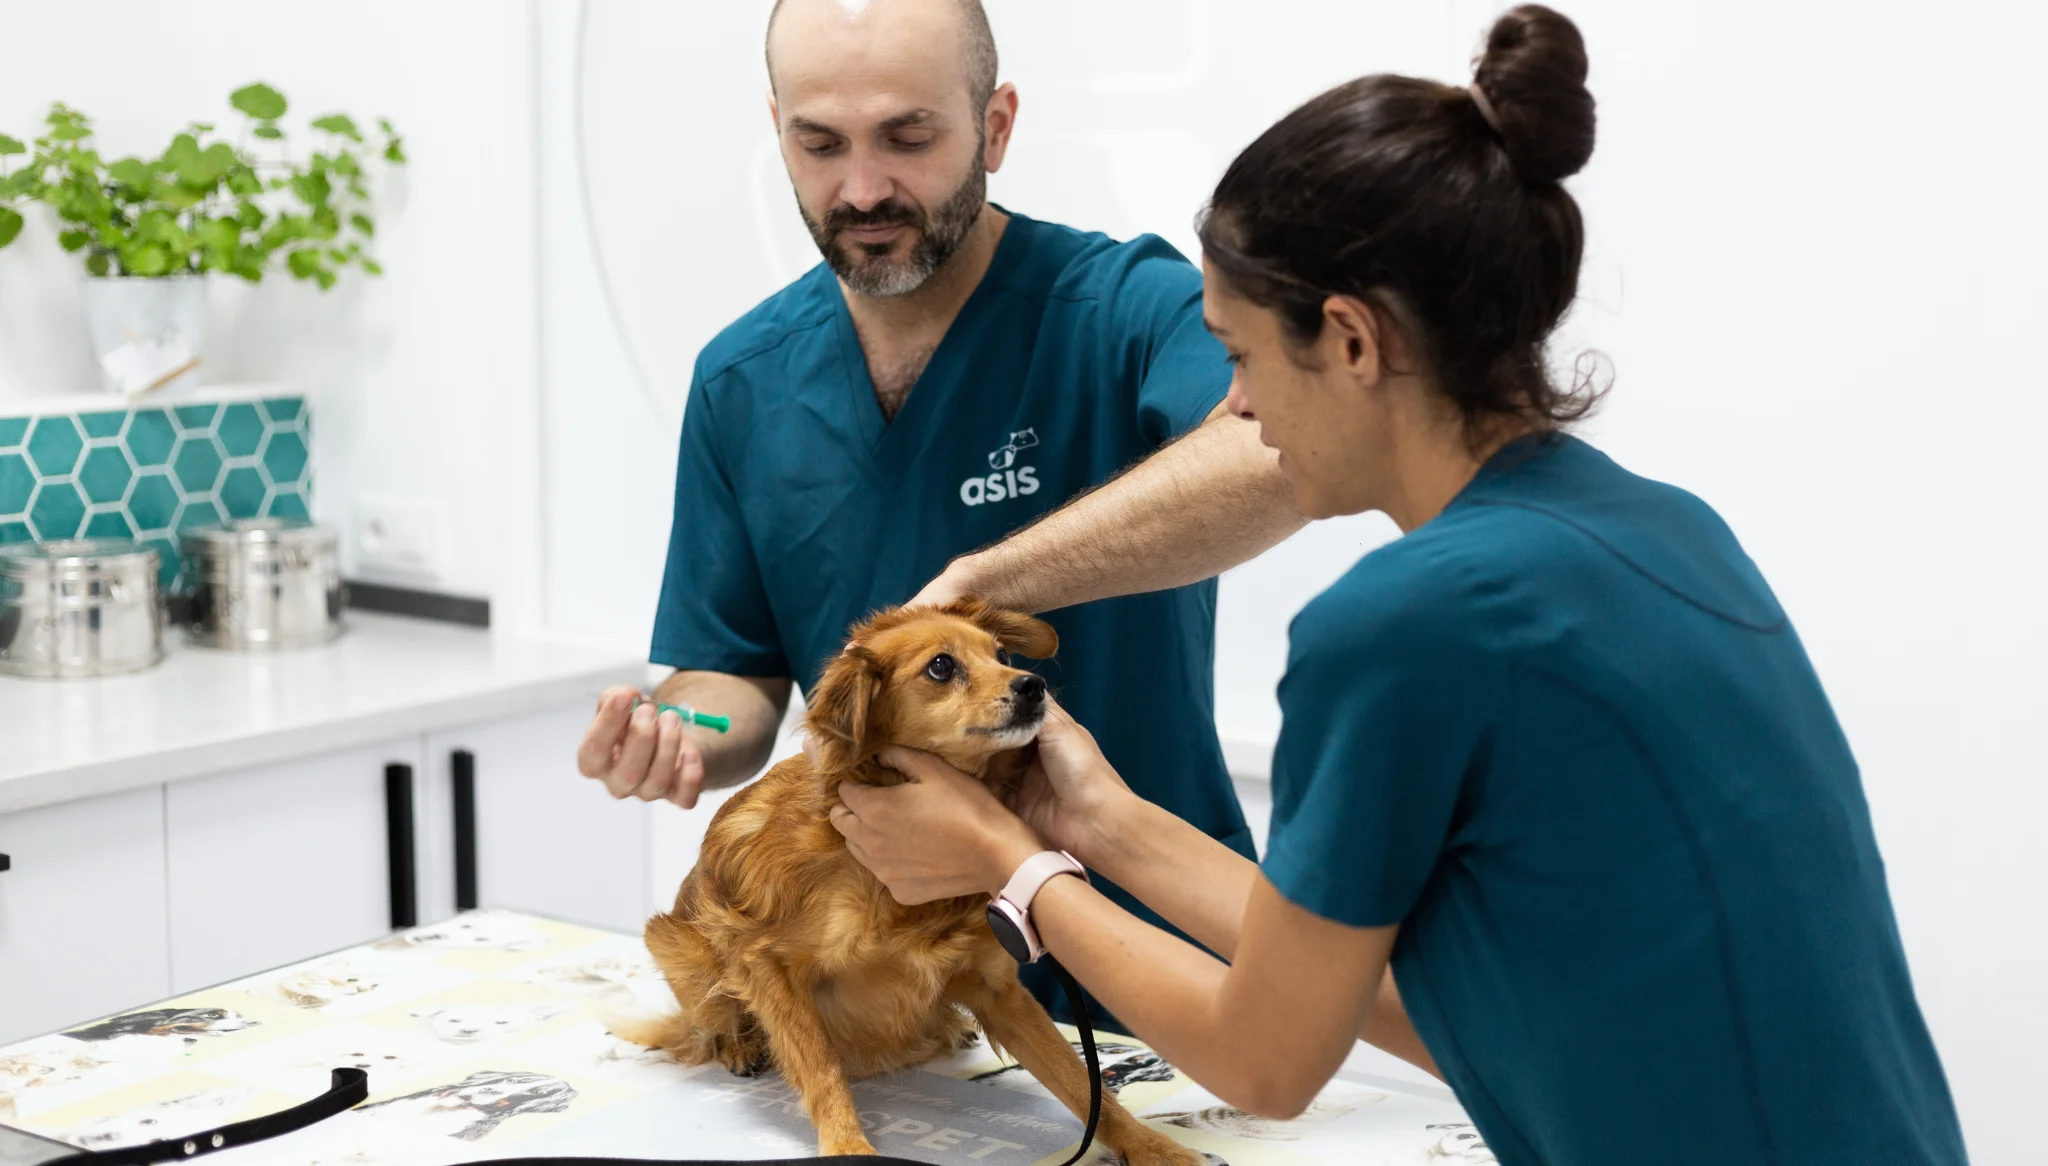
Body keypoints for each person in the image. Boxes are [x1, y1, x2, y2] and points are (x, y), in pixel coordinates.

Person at [826, 7, 1970, 1165]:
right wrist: (1094, 822)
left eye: (1239, 356)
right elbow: (1426, 1008)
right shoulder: (1666, 530)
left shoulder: (1405, 621)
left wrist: (1007, 866)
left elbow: (1266, 1060)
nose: (1237, 410)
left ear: (1351, 340)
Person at [575, 0, 1303, 1027]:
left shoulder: (1123, 309)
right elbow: (732, 676)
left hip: (1148, 965)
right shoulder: (741, 380)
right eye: (818, 143)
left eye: (908, 138)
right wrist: (676, 727)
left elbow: (1279, 452)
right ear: (775, 127)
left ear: (995, 127)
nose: (862, 187)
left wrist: (980, 588)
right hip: (893, 992)